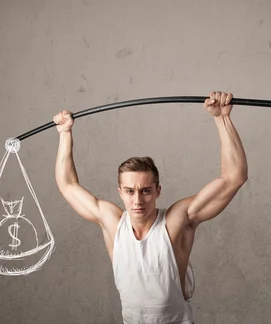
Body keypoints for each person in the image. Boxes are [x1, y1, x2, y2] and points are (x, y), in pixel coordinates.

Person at [54, 91, 248, 324]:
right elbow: (67, 185)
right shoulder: (112, 222)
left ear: (157, 191)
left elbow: (234, 177)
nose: (137, 200)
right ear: (120, 193)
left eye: (145, 191)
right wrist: (65, 133)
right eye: (129, 191)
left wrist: (222, 118)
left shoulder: (178, 220)